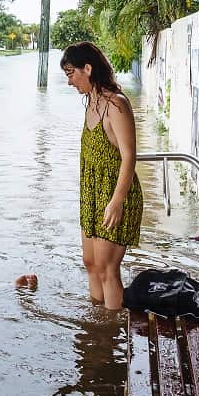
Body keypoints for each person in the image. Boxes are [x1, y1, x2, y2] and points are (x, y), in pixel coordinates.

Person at [61, 41, 143, 310]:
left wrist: (116, 201)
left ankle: (112, 331)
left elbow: (129, 156)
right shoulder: (91, 103)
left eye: (71, 73)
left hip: (115, 196)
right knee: (91, 263)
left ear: (88, 68)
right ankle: (96, 327)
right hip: (93, 195)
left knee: (108, 269)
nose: (70, 81)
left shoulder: (115, 105)